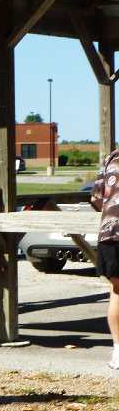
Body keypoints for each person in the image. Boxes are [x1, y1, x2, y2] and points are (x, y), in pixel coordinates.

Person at [89, 149, 119, 370]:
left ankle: (118, 351)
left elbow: (95, 198)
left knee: (117, 292)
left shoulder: (112, 158)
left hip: (111, 233)